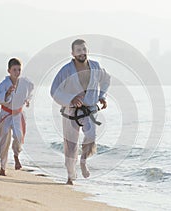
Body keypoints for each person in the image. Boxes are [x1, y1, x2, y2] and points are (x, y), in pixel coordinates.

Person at [50, 39, 111, 185]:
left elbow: (106, 80)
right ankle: (71, 176)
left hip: (89, 109)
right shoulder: (66, 70)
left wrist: (102, 96)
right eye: (78, 50)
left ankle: (83, 160)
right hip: (71, 112)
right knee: (70, 146)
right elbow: (54, 90)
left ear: (87, 51)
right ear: (72, 53)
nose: (82, 53)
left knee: (91, 138)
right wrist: (71, 99)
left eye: (84, 49)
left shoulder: (95, 66)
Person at [0, 58, 34, 176]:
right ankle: (2, 167)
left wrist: (27, 100)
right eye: (14, 70)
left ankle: (16, 155)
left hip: (18, 114)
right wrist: (6, 94)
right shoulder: (4, 84)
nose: (17, 72)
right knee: (4, 141)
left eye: (19, 69)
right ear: (9, 70)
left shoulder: (25, 82)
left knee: (19, 137)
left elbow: (31, 89)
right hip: (5, 114)